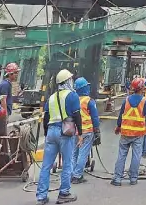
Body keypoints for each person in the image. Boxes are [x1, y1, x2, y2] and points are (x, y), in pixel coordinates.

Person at [36, 69, 82, 205]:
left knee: (46, 165)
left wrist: (46, 133)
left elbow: (46, 118)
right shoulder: (72, 96)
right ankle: (64, 193)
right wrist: (80, 133)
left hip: (51, 131)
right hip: (65, 132)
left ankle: (41, 196)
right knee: (67, 164)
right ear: (68, 81)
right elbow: (77, 116)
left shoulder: (51, 97)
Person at [112, 77, 146, 186]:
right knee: (136, 155)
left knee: (122, 155)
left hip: (125, 133)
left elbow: (121, 115)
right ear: (141, 88)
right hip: (138, 134)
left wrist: (118, 127)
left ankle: (117, 178)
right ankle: (133, 178)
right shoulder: (145, 102)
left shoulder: (126, 100)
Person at [71, 77, 100, 184]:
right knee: (83, 154)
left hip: (74, 131)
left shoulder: (73, 100)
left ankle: (71, 173)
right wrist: (96, 129)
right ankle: (77, 175)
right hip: (87, 131)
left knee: (74, 153)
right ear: (85, 88)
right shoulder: (89, 101)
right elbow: (95, 117)